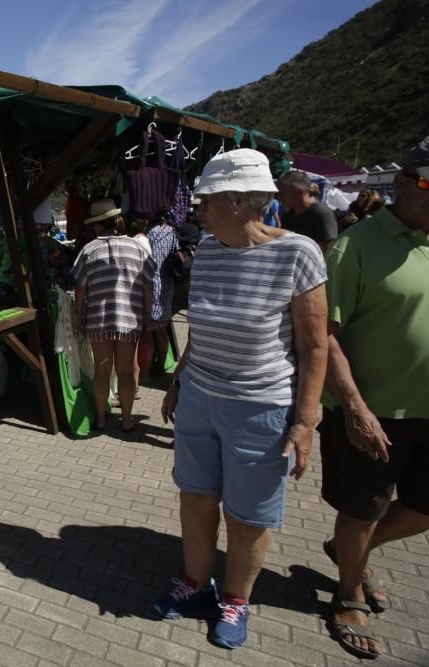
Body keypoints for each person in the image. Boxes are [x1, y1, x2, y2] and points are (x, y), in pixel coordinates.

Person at [156, 149, 328, 650]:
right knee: (196, 496)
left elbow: (315, 344)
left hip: (261, 405)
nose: (199, 210)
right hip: (200, 397)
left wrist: (305, 422)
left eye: (205, 201)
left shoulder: (298, 253)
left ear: (235, 202)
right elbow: (201, 330)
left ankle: (235, 598)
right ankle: (193, 583)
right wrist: (179, 378)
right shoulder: (208, 250)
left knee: (247, 514)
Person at [318, 136, 429, 660]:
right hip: (376, 410)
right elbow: (327, 334)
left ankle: (351, 555)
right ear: (403, 185)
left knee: (422, 508)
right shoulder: (357, 245)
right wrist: (355, 407)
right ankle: (348, 592)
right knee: (363, 508)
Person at [71, 198, 153, 432]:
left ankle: (100, 419)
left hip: (99, 318)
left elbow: (80, 289)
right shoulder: (137, 248)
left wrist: (79, 316)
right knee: (126, 371)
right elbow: (148, 285)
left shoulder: (89, 250)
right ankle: (127, 420)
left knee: (102, 370)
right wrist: (146, 312)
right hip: (130, 319)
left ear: (98, 225)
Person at [277, 170, 338, 251]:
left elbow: (328, 250)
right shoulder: (288, 215)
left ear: (299, 192)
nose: (279, 198)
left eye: (282, 194)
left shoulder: (322, 215)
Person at [146, 217, 178, 374]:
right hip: (167, 282)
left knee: (148, 330)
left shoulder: (148, 233)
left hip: (150, 281)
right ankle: (161, 367)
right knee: (161, 329)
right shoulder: (171, 231)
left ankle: (147, 367)